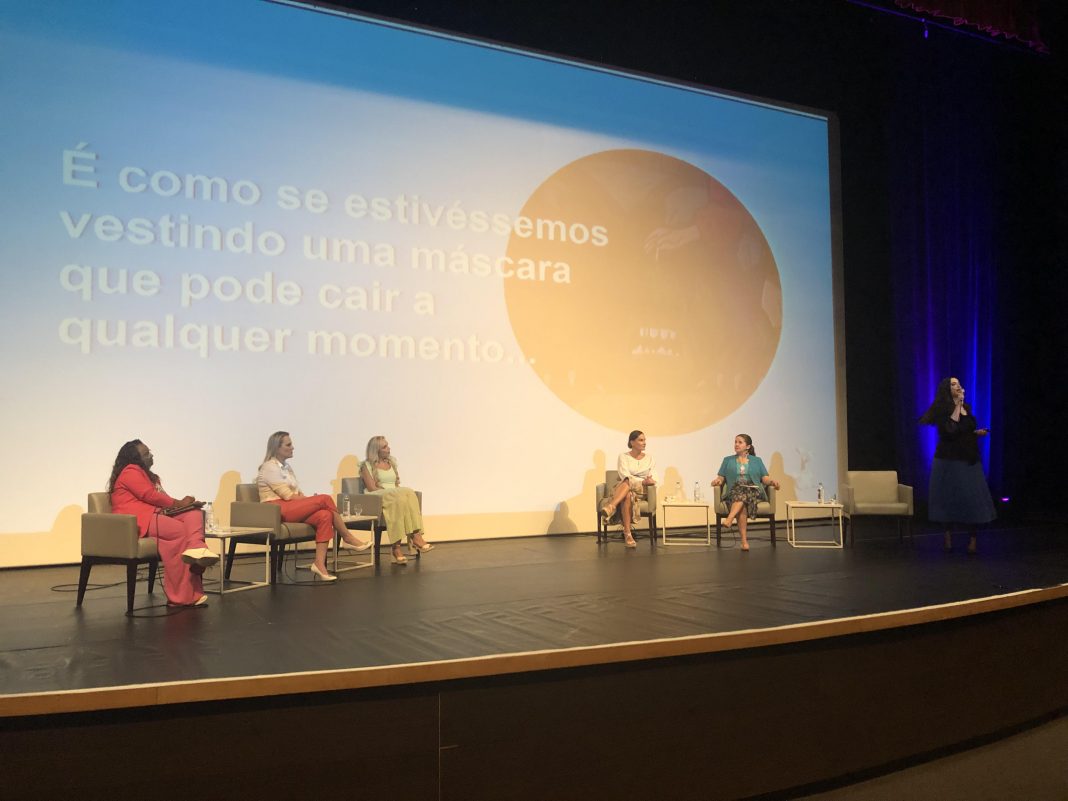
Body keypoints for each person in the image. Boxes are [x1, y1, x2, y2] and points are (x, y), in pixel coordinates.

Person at [108, 439, 217, 607]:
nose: (151, 456)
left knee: (194, 513)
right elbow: (150, 496)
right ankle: (180, 597)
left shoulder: (151, 476)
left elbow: (161, 499)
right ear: (135, 458)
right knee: (180, 531)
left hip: (155, 514)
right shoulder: (130, 470)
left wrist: (185, 506)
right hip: (137, 520)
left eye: (150, 452)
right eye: (146, 454)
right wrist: (180, 503)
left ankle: (196, 548)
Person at [257, 431, 370, 582]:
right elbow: (287, 495)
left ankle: (319, 564)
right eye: (288, 445)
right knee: (325, 499)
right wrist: (312, 500)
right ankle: (347, 537)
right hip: (275, 509)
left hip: (290, 506)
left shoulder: (286, 467)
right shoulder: (269, 467)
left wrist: (309, 500)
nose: (292, 447)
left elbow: (297, 493)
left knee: (325, 515)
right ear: (277, 447)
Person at [919, 377, 995, 553]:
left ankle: (973, 540)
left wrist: (976, 433)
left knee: (971, 499)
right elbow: (950, 430)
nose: (958, 386)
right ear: (947, 389)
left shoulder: (967, 408)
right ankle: (947, 537)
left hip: (968, 457)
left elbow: (964, 430)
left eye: (958, 383)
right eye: (953, 384)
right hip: (948, 459)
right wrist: (958, 404)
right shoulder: (942, 409)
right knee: (948, 499)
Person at [360, 436, 433, 565]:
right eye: (385, 447)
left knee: (408, 492)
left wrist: (395, 492)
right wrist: (391, 492)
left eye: (387, 445)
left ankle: (408, 541)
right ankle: (409, 541)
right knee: (401, 494)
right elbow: (372, 488)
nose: (389, 449)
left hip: (395, 496)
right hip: (377, 496)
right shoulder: (366, 466)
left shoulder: (391, 462)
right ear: (376, 450)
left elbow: (396, 485)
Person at [710, 434, 780, 551]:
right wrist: (717, 481)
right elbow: (721, 477)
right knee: (742, 500)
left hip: (753, 490)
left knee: (744, 493)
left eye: (740, 442)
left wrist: (772, 481)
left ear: (748, 446)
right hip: (734, 491)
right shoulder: (727, 460)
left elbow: (765, 478)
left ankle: (730, 519)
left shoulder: (757, 461)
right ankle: (743, 542)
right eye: (735, 442)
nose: (736, 444)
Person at [600, 430, 658, 548]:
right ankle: (628, 534)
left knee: (628, 481)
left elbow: (653, 477)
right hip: (626, 486)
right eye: (641, 440)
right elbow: (624, 475)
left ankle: (611, 506)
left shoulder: (650, 458)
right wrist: (641, 479)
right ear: (632, 442)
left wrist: (648, 481)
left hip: (642, 489)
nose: (644, 442)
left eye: (644, 440)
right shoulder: (623, 456)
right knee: (627, 492)